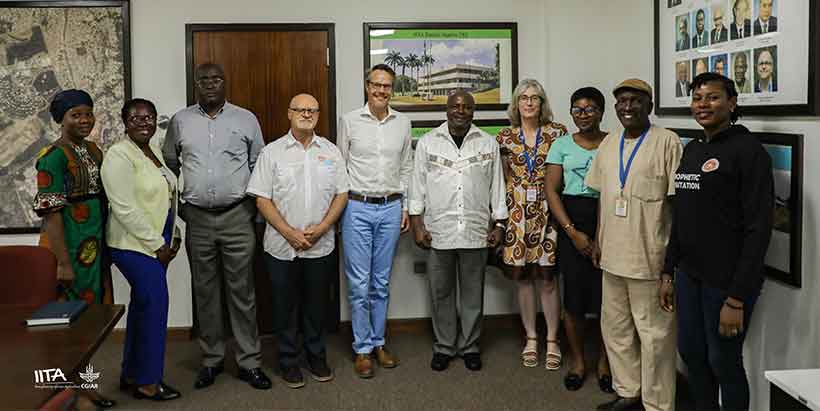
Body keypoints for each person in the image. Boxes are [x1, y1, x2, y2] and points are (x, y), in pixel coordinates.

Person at [662, 72, 773, 411]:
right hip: (689, 275)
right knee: (692, 354)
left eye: (712, 97)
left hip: (727, 283)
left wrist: (737, 298)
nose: (703, 104)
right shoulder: (693, 149)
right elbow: (682, 217)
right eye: (697, 98)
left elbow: (759, 229)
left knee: (724, 361)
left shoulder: (748, 152)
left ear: (732, 102)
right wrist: (668, 271)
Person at [162, 63, 271, 390]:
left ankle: (249, 361)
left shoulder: (246, 119)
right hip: (197, 218)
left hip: (238, 216)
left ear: (225, 83)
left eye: (216, 79)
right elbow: (169, 161)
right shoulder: (181, 120)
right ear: (196, 85)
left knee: (243, 291)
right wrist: (183, 202)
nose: (210, 84)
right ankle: (211, 360)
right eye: (203, 80)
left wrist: (253, 208)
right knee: (205, 291)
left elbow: (259, 164)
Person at [585, 79, 682, 411]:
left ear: (649, 106)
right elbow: (604, 198)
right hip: (612, 256)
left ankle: (657, 404)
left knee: (655, 337)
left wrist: (670, 263)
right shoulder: (609, 144)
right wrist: (598, 240)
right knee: (616, 330)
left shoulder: (667, 142)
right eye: (621, 101)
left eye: (635, 101)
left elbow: (677, 206)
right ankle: (629, 393)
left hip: (649, 259)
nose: (627, 107)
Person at [247, 94, 349, 389]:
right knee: (285, 306)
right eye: (300, 110)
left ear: (318, 115)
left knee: (317, 306)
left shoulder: (331, 151)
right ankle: (288, 361)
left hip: (321, 243)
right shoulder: (272, 152)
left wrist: (323, 227)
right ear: (289, 113)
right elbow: (262, 199)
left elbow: (342, 194)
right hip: (281, 246)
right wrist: (289, 232)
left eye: (312, 110)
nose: (307, 114)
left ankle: (316, 357)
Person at [410, 90, 508, 372]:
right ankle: (443, 346)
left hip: (476, 229)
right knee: (440, 292)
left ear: (473, 111)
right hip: (438, 230)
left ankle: (470, 346)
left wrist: (499, 224)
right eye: (455, 106)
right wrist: (417, 224)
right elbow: (416, 187)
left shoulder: (487, 142)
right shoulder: (428, 143)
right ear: (447, 109)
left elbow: (497, 187)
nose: (460, 111)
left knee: (472, 292)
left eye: (467, 107)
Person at [33, 89, 116, 409]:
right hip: (66, 248)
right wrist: (62, 263)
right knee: (63, 326)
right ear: (61, 119)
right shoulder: (51, 157)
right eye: (75, 114)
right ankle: (60, 394)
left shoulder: (93, 151)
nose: (84, 120)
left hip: (93, 250)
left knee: (90, 323)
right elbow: (52, 215)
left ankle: (86, 385)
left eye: (88, 113)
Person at [102, 98, 182, 401]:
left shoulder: (154, 151)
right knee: (155, 306)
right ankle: (148, 382)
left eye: (148, 117)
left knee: (143, 307)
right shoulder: (119, 155)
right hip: (133, 244)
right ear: (125, 121)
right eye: (135, 118)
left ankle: (132, 374)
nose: (144, 122)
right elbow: (124, 208)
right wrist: (157, 244)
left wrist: (173, 235)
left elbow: (166, 195)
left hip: (157, 241)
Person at [337, 63, 412, 378]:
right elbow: (339, 167)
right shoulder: (350, 121)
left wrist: (406, 207)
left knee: (381, 282)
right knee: (359, 283)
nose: (382, 91)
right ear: (367, 86)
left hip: (391, 208)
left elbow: (406, 166)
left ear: (392, 90)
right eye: (376, 85)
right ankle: (362, 349)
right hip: (357, 207)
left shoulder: (402, 123)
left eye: (387, 86)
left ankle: (379, 343)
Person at [544, 87, 612, 393]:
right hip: (571, 221)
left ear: (602, 112)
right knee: (573, 301)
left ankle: (605, 364)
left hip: (609, 222)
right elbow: (551, 192)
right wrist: (572, 233)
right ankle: (578, 363)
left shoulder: (613, 143)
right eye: (577, 109)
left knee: (606, 302)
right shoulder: (560, 145)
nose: (583, 115)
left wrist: (599, 236)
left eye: (590, 109)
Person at [495, 79, 566, 370]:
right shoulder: (504, 137)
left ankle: (552, 339)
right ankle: (531, 337)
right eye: (523, 98)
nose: (529, 103)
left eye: (534, 98)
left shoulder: (557, 134)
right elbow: (500, 181)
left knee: (548, 279)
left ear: (542, 103)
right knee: (523, 278)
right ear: (516, 103)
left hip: (548, 210)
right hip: (516, 214)